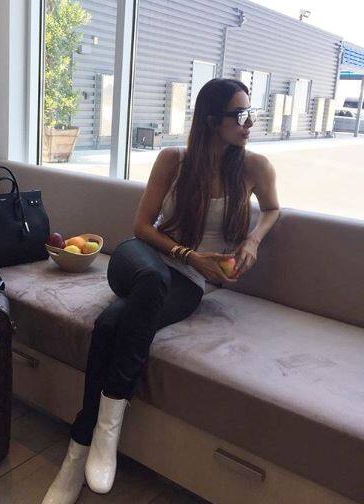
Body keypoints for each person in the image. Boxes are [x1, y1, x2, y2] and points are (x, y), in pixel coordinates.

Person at [41, 78, 280, 504]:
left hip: (189, 283)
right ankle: (106, 432)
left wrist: (253, 240)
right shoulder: (174, 160)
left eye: (251, 113)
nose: (250, 123)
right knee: (152, 281)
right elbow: (141, 227)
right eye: (240, 115)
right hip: (142, 260)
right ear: (212, 119)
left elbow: (274, 208)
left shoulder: (253, 167)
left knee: (111, 323)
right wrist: (190, 255)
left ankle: (80, 448)